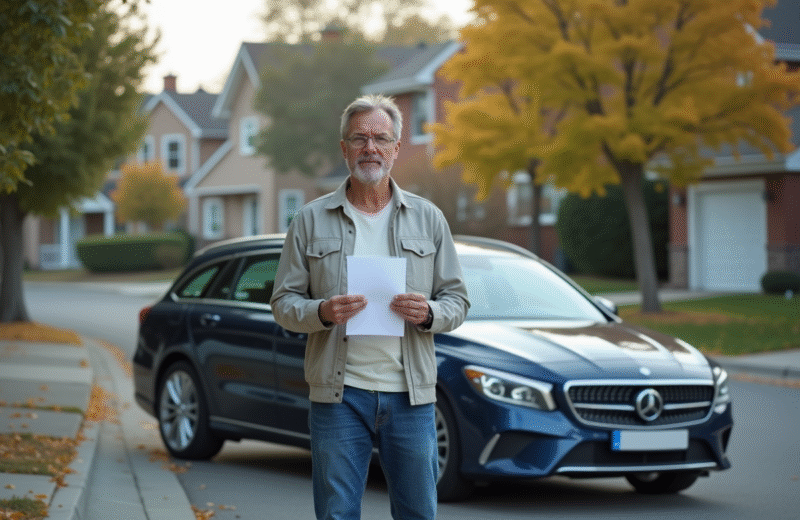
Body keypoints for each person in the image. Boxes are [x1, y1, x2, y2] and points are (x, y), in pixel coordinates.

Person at [270, 94, 470, 520]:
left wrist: (430, 313)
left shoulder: (429, 218)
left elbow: (458, 300)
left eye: (381, 138)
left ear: (396, 148)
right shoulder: (310, 219)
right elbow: (283, 304)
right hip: (339, 396)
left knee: (417, 512)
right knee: (337, 514)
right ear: (343, 148)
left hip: (411, 397)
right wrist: (322, 312)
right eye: (359, 138)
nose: (370, 147)